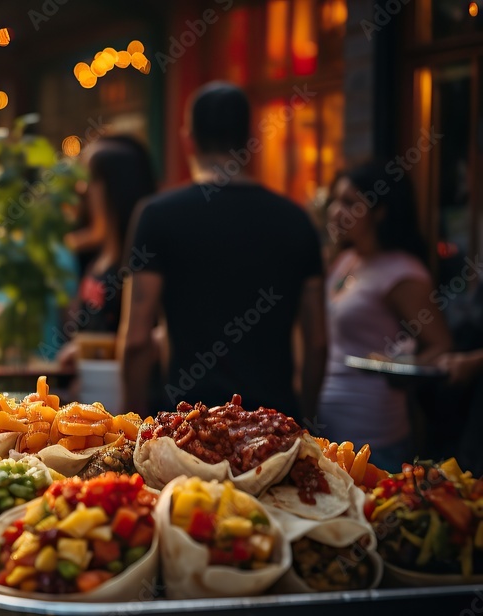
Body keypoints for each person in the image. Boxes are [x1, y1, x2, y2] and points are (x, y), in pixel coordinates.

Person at [119, 81, 327, 422]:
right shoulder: (296, 220)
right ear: (249, 142)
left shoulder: (158, 215)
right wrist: (304, 417)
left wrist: (131, 421)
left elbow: (137, 340)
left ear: (188, 140)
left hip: (188, 427)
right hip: (273, 426)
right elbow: (317, 343)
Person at [317, 161, 451, 470]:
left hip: (373, 437)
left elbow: (440, 345)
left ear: (379, 212)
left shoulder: (401, 272)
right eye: (335, 200)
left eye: (350, 203)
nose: (336, 210)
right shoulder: (347, 259)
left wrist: (400, 368)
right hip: (329, 430)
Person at [63, 136, 158, 346]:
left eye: (89, 178)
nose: (81, 188)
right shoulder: (91, 256)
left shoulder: (140, 265)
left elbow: (139, 339)